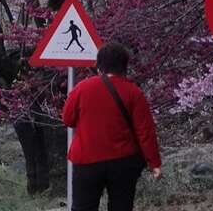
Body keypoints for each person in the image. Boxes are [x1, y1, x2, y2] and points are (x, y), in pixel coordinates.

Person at [62, 42, 162, 211]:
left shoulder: (82, 89)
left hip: (87, 160)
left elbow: (68, 119)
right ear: (124, 67)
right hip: (123, 161)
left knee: (83, 207)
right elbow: (145, 132)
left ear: (98, 66)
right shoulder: (134, 93)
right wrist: (154, 163)